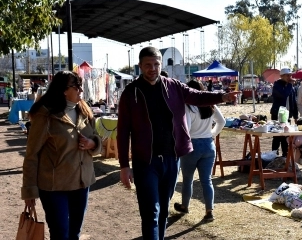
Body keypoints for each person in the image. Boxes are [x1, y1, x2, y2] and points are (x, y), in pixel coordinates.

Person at [117, 46, 239, 240]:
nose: (153, 69)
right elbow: (122, 131)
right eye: (148, 65)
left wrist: (221, 97)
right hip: (145, 162)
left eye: (156, 64)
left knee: (164, 210)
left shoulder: (173, 86)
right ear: (140, 66)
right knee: (150, 212)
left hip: (172, 159)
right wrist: (124, 165)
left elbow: (197, 96)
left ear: (161, 64)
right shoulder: (130, 93)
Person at [21, 71, 102, 240]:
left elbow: (95, 136)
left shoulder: (84, 109)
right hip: (53, 187)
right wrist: (29, 191)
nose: (81, 89)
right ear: (64, 90)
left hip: (81, 183)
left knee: (74, 234)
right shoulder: (45, 115)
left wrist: (93, 143)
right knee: (60, 234)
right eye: (76, 86)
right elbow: (31, 155)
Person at [173, 80, 226, 221]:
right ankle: (209, 211)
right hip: (209, 145)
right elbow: (222, 122)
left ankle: (185, 206)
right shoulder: (210, 105)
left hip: (192, 145)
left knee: (187, 180)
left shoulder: (187, 106)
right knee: (207, 181)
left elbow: (187, 129)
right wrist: (212, 134)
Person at [270, 67, 298, 157]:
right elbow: (283, 95)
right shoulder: (277, 85)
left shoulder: (291, 87)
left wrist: (295, 116)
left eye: (290, 75)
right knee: (277, 135)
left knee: (286, 136)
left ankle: (285, 156)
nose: (289, 77)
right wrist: (290, 85)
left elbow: (294, 102)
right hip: (277, 114)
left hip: (287, 115)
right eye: (287, 75)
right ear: (282, 76)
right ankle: (274, 154)